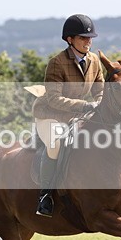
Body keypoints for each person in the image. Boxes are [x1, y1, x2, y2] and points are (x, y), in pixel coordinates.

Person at [31, 14, 104, 217]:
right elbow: (54, 99)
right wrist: (85, 106)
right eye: (83, 38)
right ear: (70, 39)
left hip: (77, 115)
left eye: (90, 38)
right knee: (55, 143)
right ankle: (45, 196)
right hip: (50, 114)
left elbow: (100, 90)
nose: (88, 41)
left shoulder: (94, 61)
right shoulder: (57, 63)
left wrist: (101, 104)